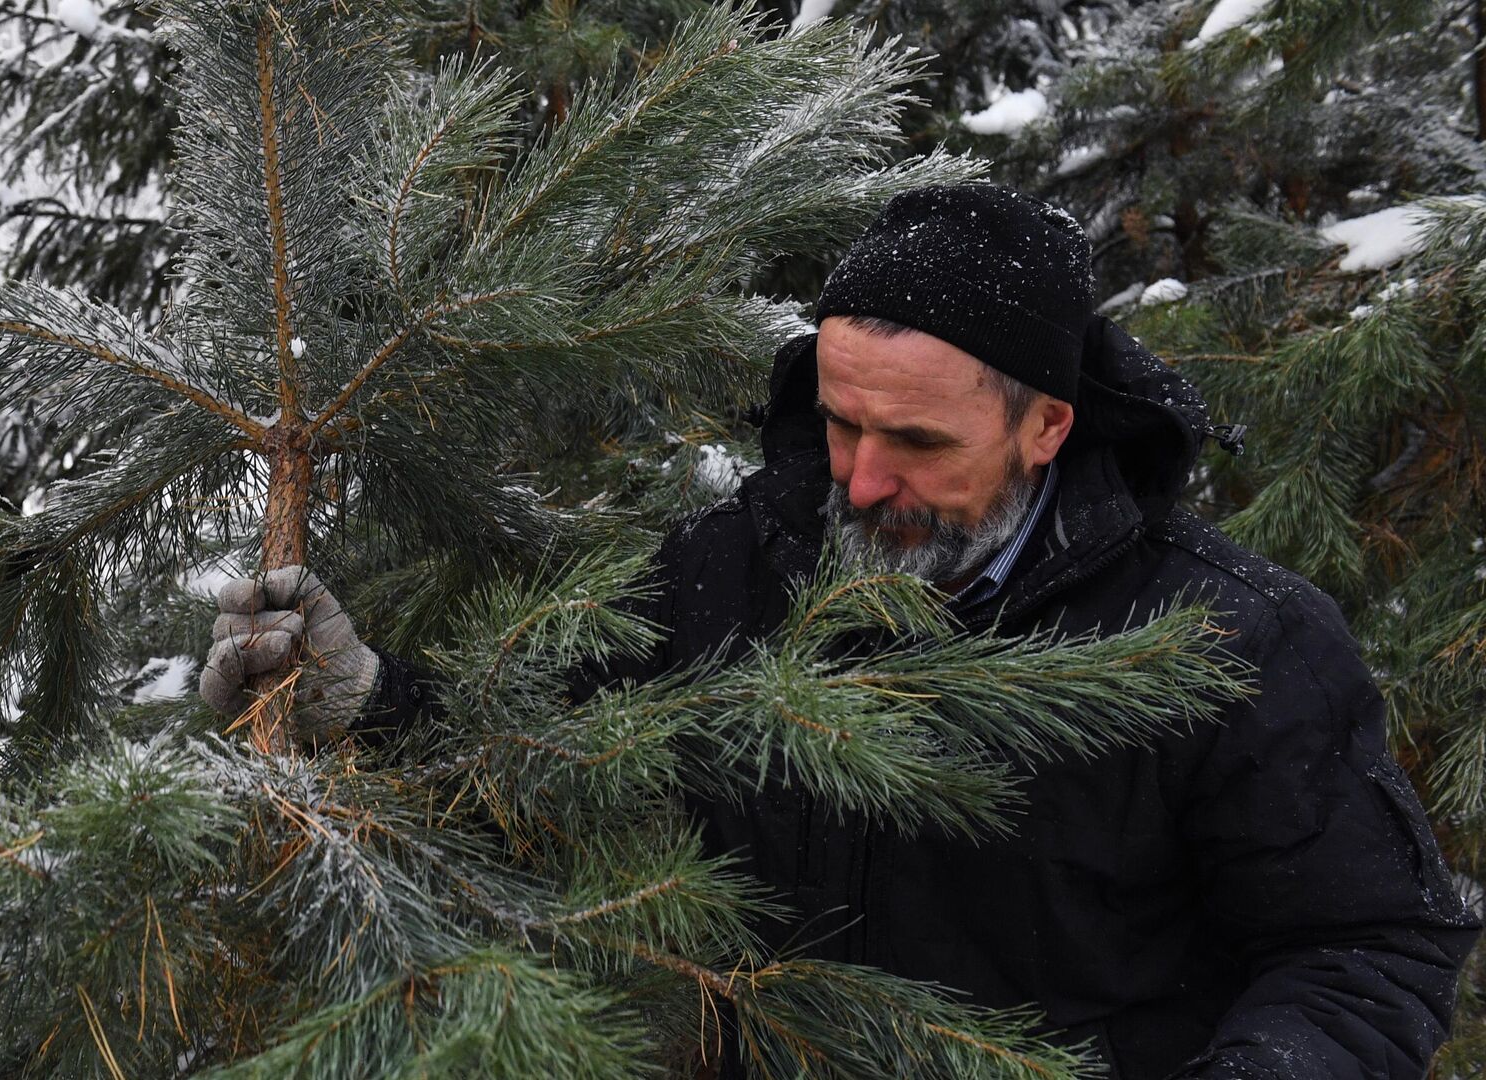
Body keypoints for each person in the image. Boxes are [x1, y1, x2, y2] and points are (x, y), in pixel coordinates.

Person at [199, 184, 1481, 1078]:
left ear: (1049, 425)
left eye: (919, 443)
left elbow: (1369, 944)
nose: (861, 482)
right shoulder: (741, 562)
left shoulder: (1234, 646)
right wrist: (369, 699)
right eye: (841, 423)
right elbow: (554, 754)